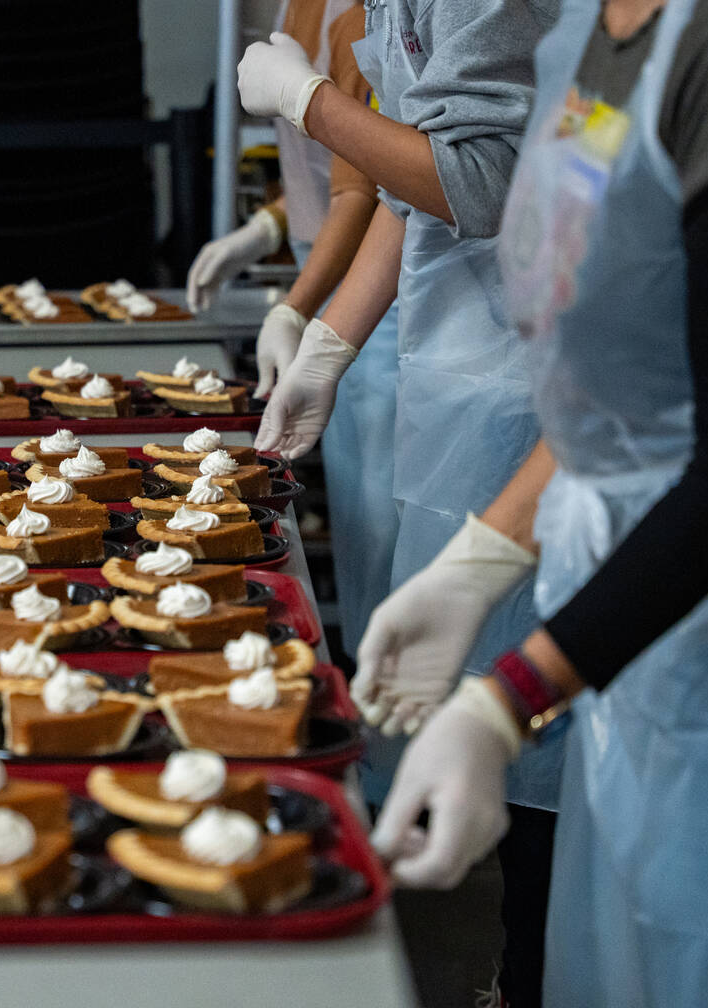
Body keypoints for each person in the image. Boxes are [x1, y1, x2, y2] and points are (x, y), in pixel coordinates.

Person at [368, 0, 708, 1001]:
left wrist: (514, 696)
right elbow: (616, 377)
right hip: (627, 637)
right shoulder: (586, 45)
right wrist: (484, 561)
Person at [239, 3, 562, 1004]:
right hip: (503, 382)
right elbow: (411, 185)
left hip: (539, 385)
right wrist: (328, 335)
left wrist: (309, 101)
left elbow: (477, 181)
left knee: (573, 803)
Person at [187, 0, 400, 659]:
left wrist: (298, 308)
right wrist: (267, 229)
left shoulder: (367, 16)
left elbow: (366, 189)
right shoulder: (303, 7)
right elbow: (326, 165)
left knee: (393, 536)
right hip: (332, 269)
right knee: (365, 529)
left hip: (375, 294)